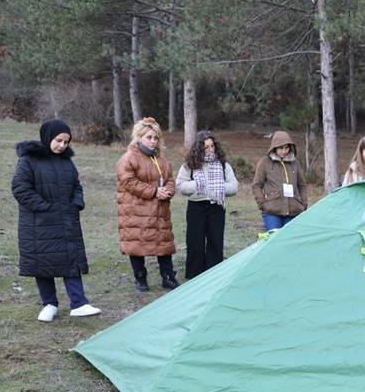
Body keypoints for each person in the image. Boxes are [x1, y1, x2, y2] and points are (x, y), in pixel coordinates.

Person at [12, 120, 101, 321]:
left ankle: (79, 303)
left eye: (66, 142)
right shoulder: (28, 160)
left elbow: (76, 186)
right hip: (39, 224)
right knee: (42, 262)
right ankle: (49, 305)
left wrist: (76, 203)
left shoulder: (67, 162)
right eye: (58, 140)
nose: (62, 145)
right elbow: (20, 189)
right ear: (48, 137)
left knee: (71, 260)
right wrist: (44, 208)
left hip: (66, 221)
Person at [116, 117, 179, 292]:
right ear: (139, 138)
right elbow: (128, 182)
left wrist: (168, 190)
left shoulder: (162, 161)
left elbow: (170, 180)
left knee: (164, 245)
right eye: (149, 137)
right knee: (137, 245)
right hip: (136, 211)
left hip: (159, 211)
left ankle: (168, 277)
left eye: (155, 138)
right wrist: (154, 191)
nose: (153, 141)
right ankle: (140, 278)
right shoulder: (128, 158)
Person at [175, 131, 239, 280]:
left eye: (212, 146)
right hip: (196, 207)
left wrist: (218, 188)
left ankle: (214, 276)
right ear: (199, 148)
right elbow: (180, 184)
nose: (210, 150)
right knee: (195, 243)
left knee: (215, 242)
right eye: (206, 147)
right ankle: (194, 276)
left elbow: (234, 187)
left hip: (216, 207)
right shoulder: (189, 165)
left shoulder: (223, 165)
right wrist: (197, 185)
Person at [252, 130, 307, 231]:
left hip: (293, 210)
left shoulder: (295, 163)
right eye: (281, 148)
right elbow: (256, 185)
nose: (284, 151)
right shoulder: (264, 163)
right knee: (273, 241)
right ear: (274, 147)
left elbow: (302, 185)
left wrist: (303, 204)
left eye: (287, 148)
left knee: (288, 243)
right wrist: (262, 204)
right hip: (271, 211)